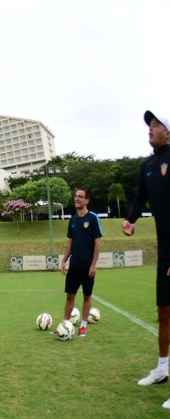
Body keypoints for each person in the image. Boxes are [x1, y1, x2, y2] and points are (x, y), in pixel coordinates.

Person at [124, 110, 170, 406]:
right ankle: (163, 369)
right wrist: (130, 220)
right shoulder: (148, 166)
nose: (150, 129)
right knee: (163, 312)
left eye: (156, 125)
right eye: (149, 125)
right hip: (164, 249)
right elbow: (141, 196)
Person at [59, 188, 102, 337]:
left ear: (87, 200)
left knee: (87, 296)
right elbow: (70, 242)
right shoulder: (73, 220)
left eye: (80, 197)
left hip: (87, 266)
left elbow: (97, 243)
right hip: (74, 265)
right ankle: (65, 324)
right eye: (75, 196)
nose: (76, 198)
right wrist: (64, 260)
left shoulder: (93, 218)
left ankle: (83, 326)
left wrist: (93, 265)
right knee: (70, 296)